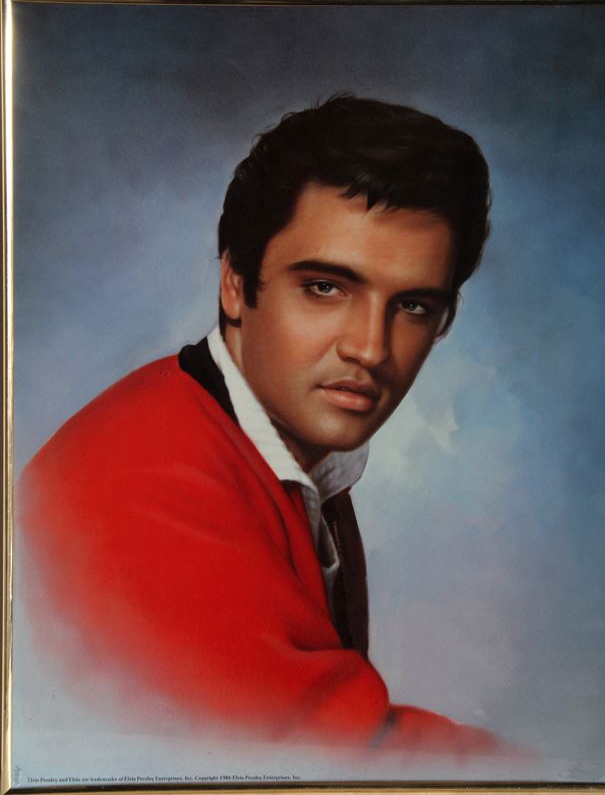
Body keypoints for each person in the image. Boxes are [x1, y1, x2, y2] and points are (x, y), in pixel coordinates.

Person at [19, 95, 501, 757]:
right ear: (235, 284)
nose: (369, 348)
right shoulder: (145, 479)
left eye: (413, 306)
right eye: (325, 287)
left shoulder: (281, 447)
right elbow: (326, 759)